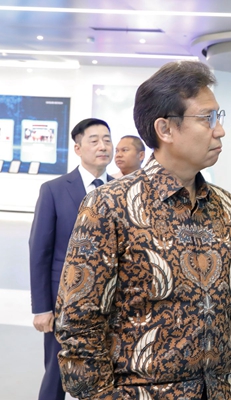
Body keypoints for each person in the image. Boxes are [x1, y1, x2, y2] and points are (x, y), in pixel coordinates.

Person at [54, 61, 231, 399]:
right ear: (165, 129)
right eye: (207, 118)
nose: (219, 130)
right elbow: (79, 322)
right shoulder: (109, 205)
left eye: (218, 117)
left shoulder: (226, 206)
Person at [29, 118, 114, 400]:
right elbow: (40, 251)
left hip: (110, 303)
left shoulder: (121, 189)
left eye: (107, 140)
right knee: (57, 374)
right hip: (63, 301)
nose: (103, 146)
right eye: (94, 140)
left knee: (110, 374)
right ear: (78, 148)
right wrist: (42, 307)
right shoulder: (54, 189)